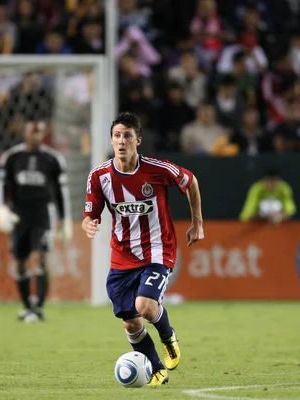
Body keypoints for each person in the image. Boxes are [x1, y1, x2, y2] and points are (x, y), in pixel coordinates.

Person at [82, 112, 204, 385]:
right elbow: (90, 214)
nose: (121, 141)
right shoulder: (99, 176)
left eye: (127, 135)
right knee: (131, 322)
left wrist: (197, 222)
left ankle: (167, 335)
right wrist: (88, 225)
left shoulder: (158, 170)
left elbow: (191, 182)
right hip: (122, 256)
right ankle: (158, 370)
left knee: (146, 307)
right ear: (111, 141)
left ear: (138, 140)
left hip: (158, 250)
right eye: (116, 136)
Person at [0, 120, 73, 323]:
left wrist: (65, 220)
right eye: (32, 131)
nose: (36, 135)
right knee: (20, 262)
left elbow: (61, 192)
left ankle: (38, 308)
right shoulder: (12, 157)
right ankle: (27, 307)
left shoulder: (53, 159)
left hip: (43, 213)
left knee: (39, 258)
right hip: (19, 214)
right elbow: (1, 185)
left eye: (40, 131)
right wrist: (1, 208)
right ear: (25, 132)